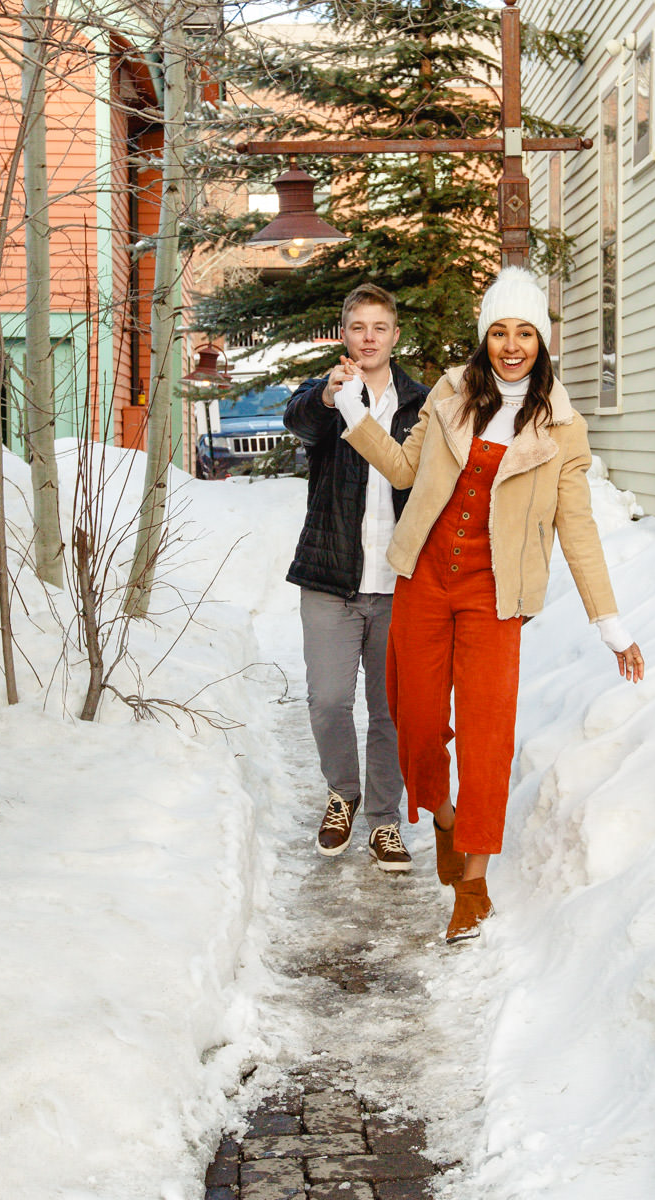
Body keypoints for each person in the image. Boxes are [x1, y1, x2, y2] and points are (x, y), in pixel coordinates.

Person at [328, 266, 645, 942]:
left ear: (542, 340)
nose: (510, 344)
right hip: (423, 581)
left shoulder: (563, 429)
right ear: (484, 338)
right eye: (498, 331)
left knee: (486, 736)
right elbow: (408, 471)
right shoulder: (450, 395)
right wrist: (355, 413)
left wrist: (610, 625)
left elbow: (578, 528)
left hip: (494, 595)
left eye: (524, 332)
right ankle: (442, 815)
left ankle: (471, 882)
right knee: (412, 723)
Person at [282, 284, 431, 871]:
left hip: (397, 584)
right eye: (357, 328)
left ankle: (385, 821)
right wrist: (326, 395)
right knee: (328, 701)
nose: (368, 338)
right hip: (330, 577)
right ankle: (343, 794)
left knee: (389, 709)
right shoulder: (326, 393)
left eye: (379, 328)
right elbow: (301, 424)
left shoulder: (422, 403)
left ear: (395, 336)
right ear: (344, 335)